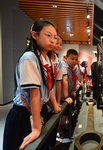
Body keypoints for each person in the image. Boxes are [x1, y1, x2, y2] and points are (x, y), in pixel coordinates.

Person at [3, 19, 61, 150]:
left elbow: (48, 87)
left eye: (55, 37)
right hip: (24, 114)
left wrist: (55, 106)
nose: (53, 40)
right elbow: (34, 93)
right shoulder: (29, 57)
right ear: (35, 35)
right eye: (48, 35)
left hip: (40, 110)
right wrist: (36, 127)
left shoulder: (47, 60)